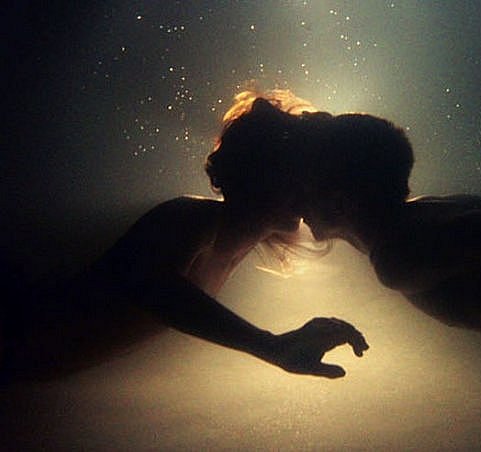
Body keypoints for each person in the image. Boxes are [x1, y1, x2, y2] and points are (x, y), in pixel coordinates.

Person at [0, 90, 369, 382]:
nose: (306, 194)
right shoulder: (189, 218)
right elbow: (151, 287)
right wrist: (271, 346)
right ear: (260, 176)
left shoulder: (237, 245)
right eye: (296, 179)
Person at [290, 105, 481, 358]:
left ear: (341, 201)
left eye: (305, 187)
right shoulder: (419, 216)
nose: (296, 202)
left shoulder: (398, 253)